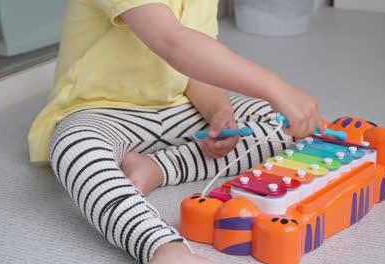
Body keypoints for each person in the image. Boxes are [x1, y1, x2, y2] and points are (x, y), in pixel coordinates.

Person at [28, 0, 324, 263]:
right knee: (75, 147)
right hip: (102, 111)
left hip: (179, 106)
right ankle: (161, 247)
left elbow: (199, 67)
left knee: (284, 128)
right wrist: (277, 87)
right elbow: (173, 43)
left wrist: (220, 113)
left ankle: (159, 167)